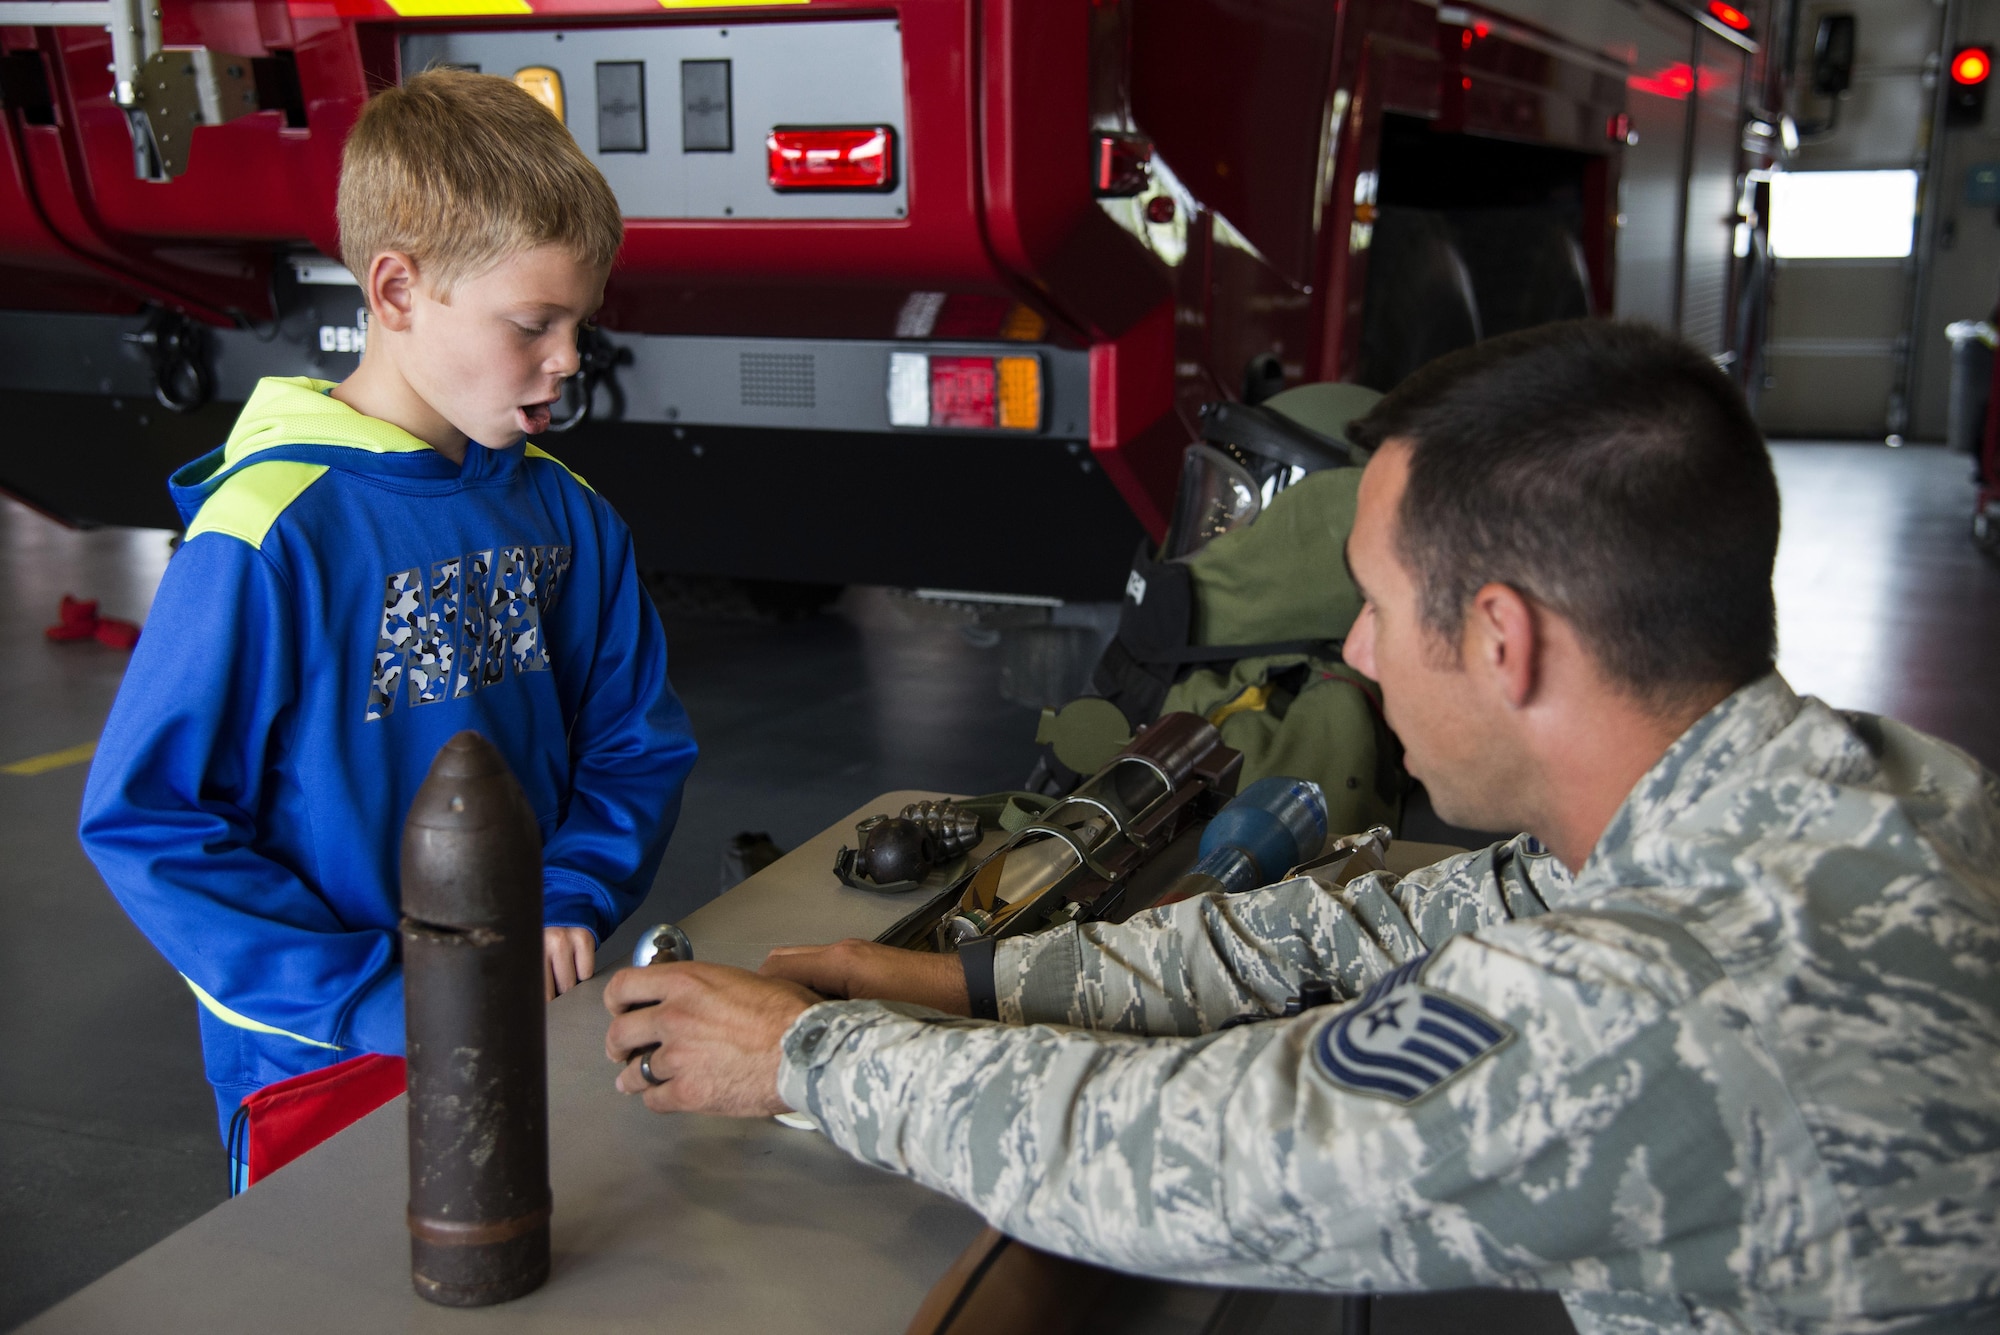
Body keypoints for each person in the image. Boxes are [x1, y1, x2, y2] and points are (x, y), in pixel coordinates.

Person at [602, 321, 2000, 1334]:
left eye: (1379, 603)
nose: (1359, 649)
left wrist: (800, 1054)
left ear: (1502, 637)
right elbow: (1384, 919)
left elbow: (1188, 1157)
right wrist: (959, 975)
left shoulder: (1666, 998)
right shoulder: (1866, 790)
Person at [81, 70, 697, 1152]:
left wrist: (569, 894)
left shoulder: (570, 517)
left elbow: (630, 747)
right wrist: (371, 998)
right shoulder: (269, 532)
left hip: (527, 1026)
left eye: (577, 324)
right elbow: (150, 822)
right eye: (534, 322)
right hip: (322, 1062)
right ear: (400, 290)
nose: (567, 360)